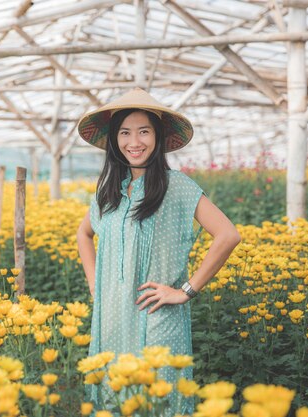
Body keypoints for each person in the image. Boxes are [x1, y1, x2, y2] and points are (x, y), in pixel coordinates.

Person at [76, 88, 241, 415]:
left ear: (158, 136)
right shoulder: (110, 190)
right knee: (115, 397)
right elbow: (84, 233)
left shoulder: (176, 185)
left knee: (161, 400)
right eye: (124, 132)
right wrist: (96, 285)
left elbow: (227, 235)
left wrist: (185, 291)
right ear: (114, 139)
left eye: (143, 131)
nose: (133, 141)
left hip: (157, 316)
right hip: (111, 318)